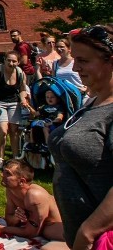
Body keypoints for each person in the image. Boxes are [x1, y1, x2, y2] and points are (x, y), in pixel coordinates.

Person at [49, 25, 113, 250]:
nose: (75, 68)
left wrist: (89, 231)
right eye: (74, 60)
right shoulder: (92, 103)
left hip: (102, 239)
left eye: (83, 61)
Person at [0, 159, 65, 243]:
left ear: (22, 181)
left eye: (7, 173)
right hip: (39, 227)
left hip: (57, 227)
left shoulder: (35, 195)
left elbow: (31, 233)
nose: (1, 175)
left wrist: (0, 229)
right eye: (3, 171)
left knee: (48, 233)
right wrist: (16, 217)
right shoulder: (11, 191)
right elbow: (9, 220)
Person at [0, 51, 28, 169]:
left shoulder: (20, 73)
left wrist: (23, 99)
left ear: (18, 62)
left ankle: (15, 158)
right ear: (4, 60)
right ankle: (1, 157)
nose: (11, 63)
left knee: (14, 131)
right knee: (3, 130)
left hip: (14, 103)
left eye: (14, 61)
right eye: (9, 60)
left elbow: (23, 89)